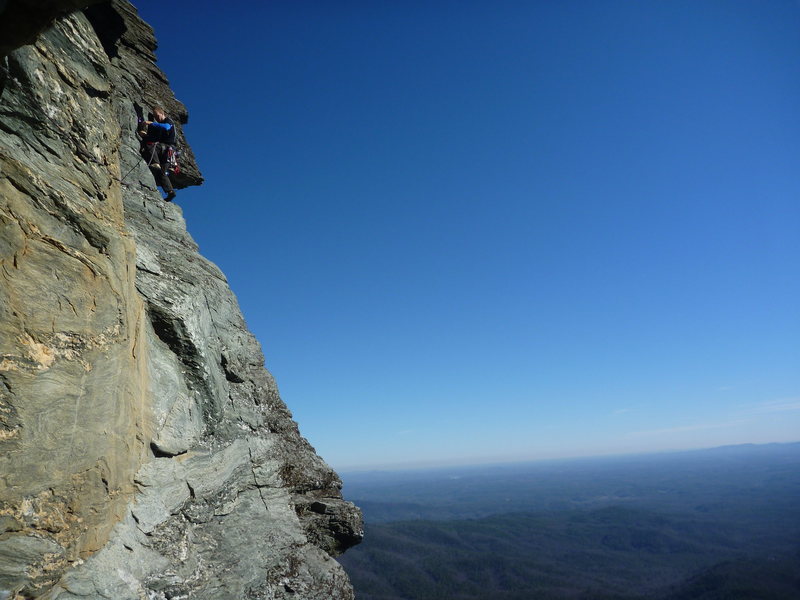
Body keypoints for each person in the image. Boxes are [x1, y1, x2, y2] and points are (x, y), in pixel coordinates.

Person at [138, 106, 177, 201]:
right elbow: (155, 138)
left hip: (168, 149)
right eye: (155, 116)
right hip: (166, 151)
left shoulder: (168, 121)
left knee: (150, 145)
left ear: (162, 113)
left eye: (157, 115)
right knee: (162, 173)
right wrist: (145, 135)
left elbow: (166, 127)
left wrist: (151, 123)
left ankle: (155, 162)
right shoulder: (159, 125)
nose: (156, 118)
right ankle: (170, 192)